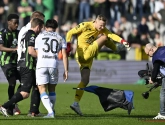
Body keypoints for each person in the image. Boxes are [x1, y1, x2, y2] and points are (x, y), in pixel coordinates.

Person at [66, 14, 130, 116]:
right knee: (104, 38)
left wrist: (122, 40)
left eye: (103, 25)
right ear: (95, 21)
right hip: (84, 53)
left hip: (87, 58)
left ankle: (75, 103)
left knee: (85, 81)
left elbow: (112, 34)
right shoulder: (85, 25)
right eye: (100, 25)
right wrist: (68, 46)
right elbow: (70, 32)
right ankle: (116, 49)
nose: (102, 27)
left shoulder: (101, 29)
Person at [0, 18, 44, 117]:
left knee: (37, 85)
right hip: (27, 65)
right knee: (24, 93)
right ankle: (5, 106)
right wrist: (44, 57)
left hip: (24, 64)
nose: (41, 30)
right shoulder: (31, 34)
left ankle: (34, 111)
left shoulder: (23, 34)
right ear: (38, 26)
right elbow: (31, 51)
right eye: (41, 27)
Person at [35, 19, 69, 118]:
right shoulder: (60, 37)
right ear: (56, 28)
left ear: (45, 27)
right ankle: (51, 111)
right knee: (52, 89)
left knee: (42, 89)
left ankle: (50, 112)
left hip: (41, 64)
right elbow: (64, 55)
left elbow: (37, 53)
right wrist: (66, 70)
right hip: (53, 64)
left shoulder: (39, 37)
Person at [17, 11, 45, 117]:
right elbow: (29, 48)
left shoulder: (24, 29)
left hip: (24, 61)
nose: (42, 24)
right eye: (41, 21)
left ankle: (33, 111)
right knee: (26, 90)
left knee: (34, 85)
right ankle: (8, 106)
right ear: (36, 19)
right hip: (27, 61)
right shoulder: (29, 31)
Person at [0, 13, 21, 115]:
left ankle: (11, 103)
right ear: (9, 22)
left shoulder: (19, 33)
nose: (17, 25)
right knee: (12, 83)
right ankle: (10, 107)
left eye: (18, 23)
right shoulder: (3, 33)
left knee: (25, 84)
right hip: (6, 62)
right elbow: (0, 47)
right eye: (15, 23)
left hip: (17, 62)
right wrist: (14, 50)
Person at [144, 43, 165, 119]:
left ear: (152, 49)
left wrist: (152, 79)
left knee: (163, 93)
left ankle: (162, 114)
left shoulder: (156, 56)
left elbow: (155, 70)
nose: (149, 56)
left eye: (148, 53)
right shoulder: (163, 49)